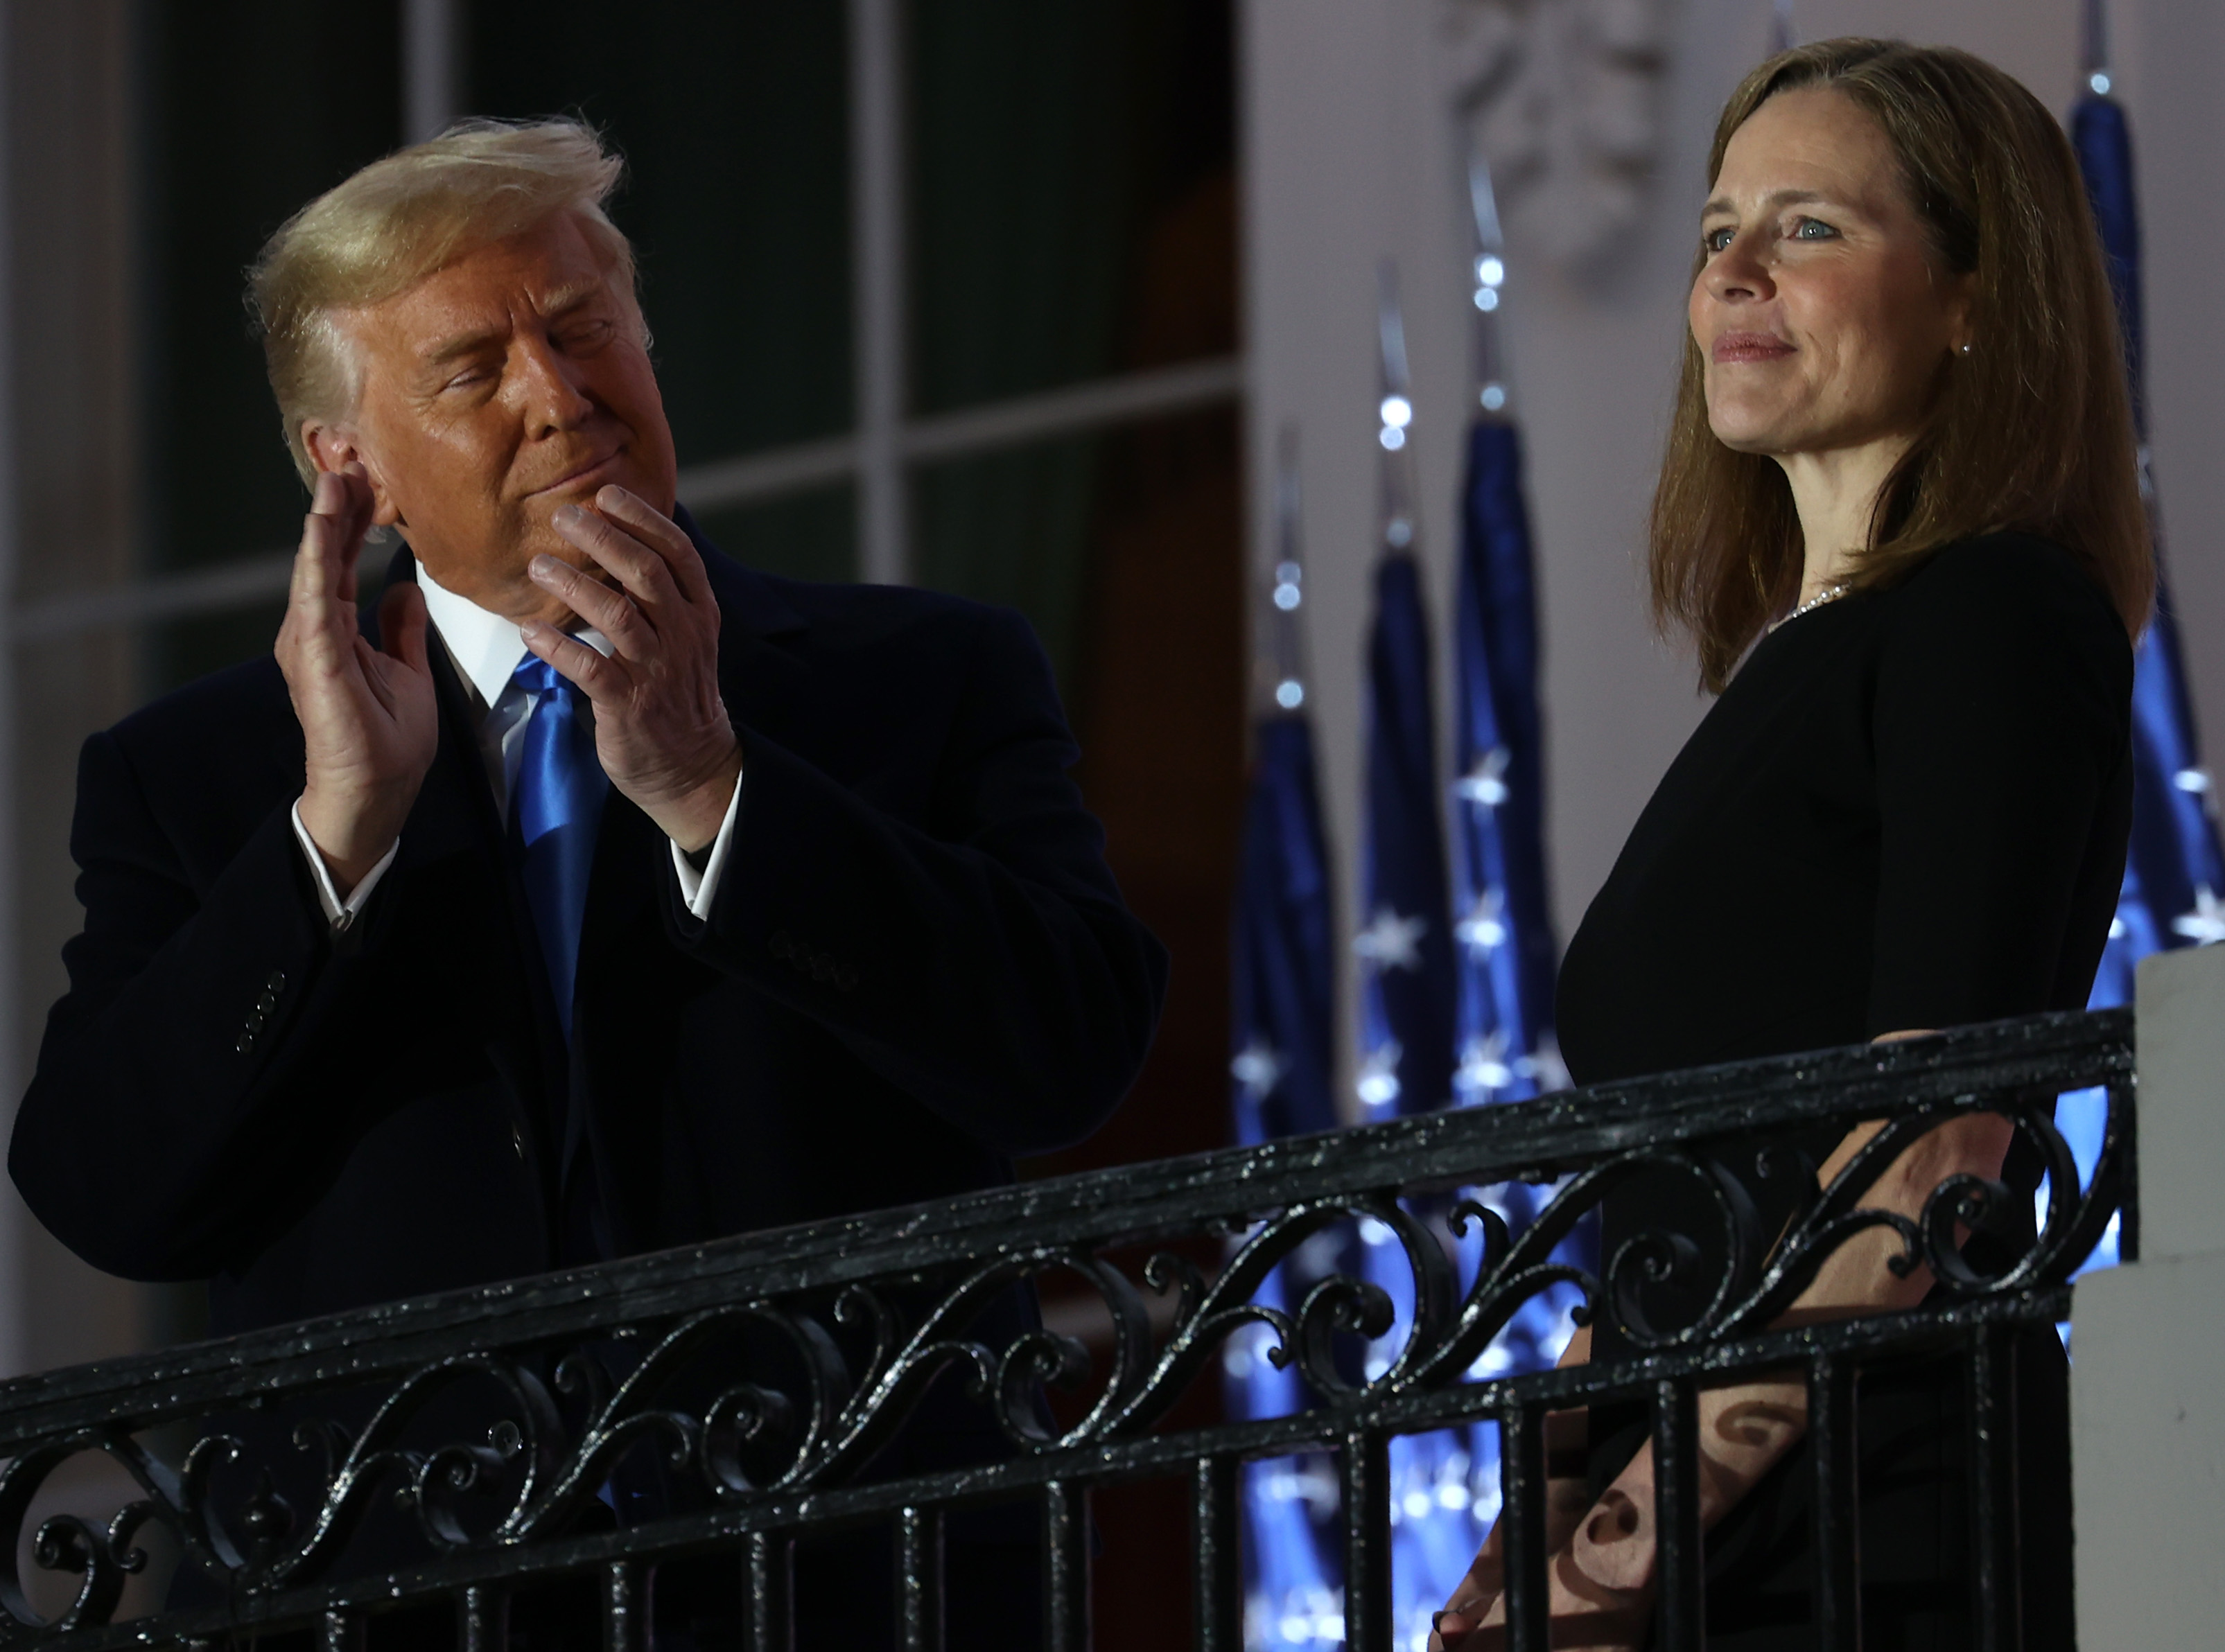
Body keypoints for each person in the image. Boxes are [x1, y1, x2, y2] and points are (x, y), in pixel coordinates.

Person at [8, 120, 1165, 1644]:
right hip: (393, 1608)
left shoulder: (926, 676)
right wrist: (336, 835)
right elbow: (108, 1190)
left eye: (583, 331)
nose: (561, 399)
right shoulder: (202, 775)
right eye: (475, 370)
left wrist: (710, 786)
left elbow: (1070, 1053)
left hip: (850, 1587)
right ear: (344, 462)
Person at [1433, 39, 2145, 1652]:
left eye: (1809, 226)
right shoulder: (1798, 667)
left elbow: (1929, 1142)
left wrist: (1616, 1548)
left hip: (1869, 1520)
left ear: (1978, 297)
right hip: (1717, 1510)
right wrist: (1526, 1529)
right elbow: (1681, 1207)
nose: (1736, 272)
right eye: (1713, 232)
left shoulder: (1997, 614)